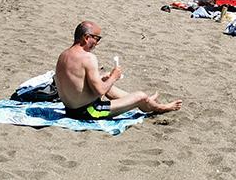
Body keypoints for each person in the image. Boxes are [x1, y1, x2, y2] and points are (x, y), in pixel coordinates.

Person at [54, 21, 182, 120]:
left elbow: (78, 83)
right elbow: (99, 91)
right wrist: (114, 77)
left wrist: (105, 79)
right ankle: (161, 107)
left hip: (70, 109)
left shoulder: (64, 55)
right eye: (97, 39)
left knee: (104, 78)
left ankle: (147, 101)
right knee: (140, 96)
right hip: (88, 111)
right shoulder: (88, 58)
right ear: (87, 37)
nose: (97, 44)